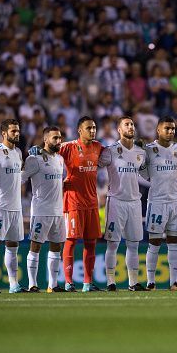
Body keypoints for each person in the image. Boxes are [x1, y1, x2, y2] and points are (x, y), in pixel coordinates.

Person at [98, 116, 148, 291]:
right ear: (119, 129)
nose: (131, 127)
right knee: (113, 244)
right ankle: (111, 282)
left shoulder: (141, 152)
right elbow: (93, 166)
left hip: (135, 202)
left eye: (132, 124)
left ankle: (133, 283)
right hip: (116, 201)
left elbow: (145, 175)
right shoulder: (110, 151)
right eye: (127, 124)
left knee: (133, 244)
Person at [142, 117, 177, 290]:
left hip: (175, 202)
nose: (171, 131)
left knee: (174, 242)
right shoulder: (148, 150)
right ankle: (151, 282)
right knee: (154, 242)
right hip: (156, 201)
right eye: (167, 128)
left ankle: (174, 282)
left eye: (173, 129)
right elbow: (143, 172)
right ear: (158, 130)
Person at [58, 117, 104, 292]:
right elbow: (50, 151)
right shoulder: (68, 147)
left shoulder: (98, 147)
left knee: (90, 243)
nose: (92, 131)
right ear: (79, 130)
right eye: (88, 128)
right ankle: (69, 282)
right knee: (70, 241)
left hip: (92, 202)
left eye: (94, 127)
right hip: (73, 202)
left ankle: (87, 283)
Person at [0, 119, 27, 293]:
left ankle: (13, 284)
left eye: (18, 131)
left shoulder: (17, 152)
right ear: (4, 133)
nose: (17, 134)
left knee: (12, 247)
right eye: (13, 131)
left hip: (16, 207)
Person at [22, 127, 66, 293]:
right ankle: (32, 284)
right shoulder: (35, 159)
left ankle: (52, 285)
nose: (58, 141)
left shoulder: (60, 159)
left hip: (58, 210)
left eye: (60, 138)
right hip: (41, 210)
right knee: (35, 246)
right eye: (55, 138)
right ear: (45, 139)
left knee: (56, 247)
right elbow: (21, 178)